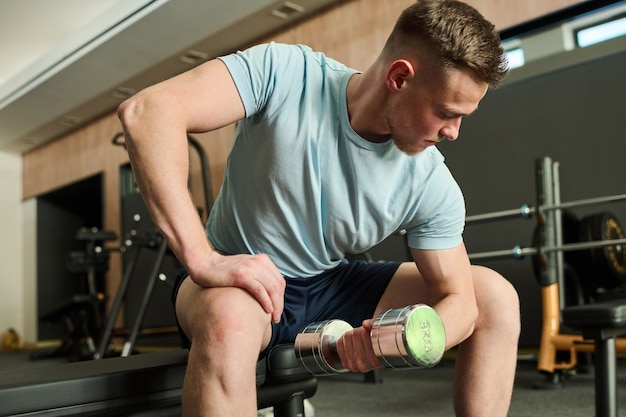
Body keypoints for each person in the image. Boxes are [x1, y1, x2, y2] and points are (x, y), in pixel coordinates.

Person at [118, 0, 520, 415]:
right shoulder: (288, 74)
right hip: (233, 283)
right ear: (399, 77)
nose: (453, 133)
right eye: (446, 113)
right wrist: (203, 259)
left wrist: (395, 339)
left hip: (325, 284)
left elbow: (460, 300)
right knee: (230, 319)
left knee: (495, 296)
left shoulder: (429, 179)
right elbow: (147, 112)